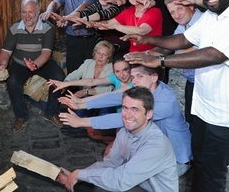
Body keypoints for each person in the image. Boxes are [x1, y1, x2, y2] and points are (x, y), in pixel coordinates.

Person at [124, 0, 229, 192]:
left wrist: (161, 62)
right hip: (205, 107)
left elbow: (214, 54)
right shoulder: (211, 15)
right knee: (198, 160)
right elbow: (183, 39)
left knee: (212, 172)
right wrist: (146, 38)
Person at [59, 64, 192, 177]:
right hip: (151, 147)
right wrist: (81, 104)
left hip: (175, 160)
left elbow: (122, 119)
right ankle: (78, 177)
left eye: (140, 76)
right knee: (111, 157)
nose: (135, 81)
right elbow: (116, 97)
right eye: (133, 77)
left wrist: (81, 122)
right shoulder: (147, 90)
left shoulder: (165, 101)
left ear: (154, 77)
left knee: (128, 178)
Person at [56, 87, 178, 192]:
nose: (127, 115)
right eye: (125, 108)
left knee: (102, 188)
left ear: (149, 114)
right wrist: (76, 175)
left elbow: (121, 180)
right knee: (80, 185)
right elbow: (109, 163)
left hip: (147, 189)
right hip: (136, 184)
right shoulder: (124, 131)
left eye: (135, 110)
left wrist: (79, 174)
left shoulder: (156, 144)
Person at [0, 0, 66, 132]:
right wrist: (3, 65)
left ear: (38, 12)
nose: (26, 16)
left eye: (30, 12)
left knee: (59, 76)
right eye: (23, 12)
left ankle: (51, 112)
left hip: (42, 62)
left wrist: (35, 65)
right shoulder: (15, 27)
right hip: (20, 62)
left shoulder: (47, 28)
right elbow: (6, 52)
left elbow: (46, 53)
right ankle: (21, 115)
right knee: (12, 81)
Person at [147, 0, 203, 127]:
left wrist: (158, 59)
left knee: (202, 125)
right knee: (191, 120)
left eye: (179, 9)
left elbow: (196, 51)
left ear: (191, 5)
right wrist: (148, 54)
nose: (176, 15)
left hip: (205, 83)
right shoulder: (182, 24)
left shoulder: (202, 21)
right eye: (172, 12)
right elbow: (171, 45)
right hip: (192, 81)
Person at [41, 0, 97, 74]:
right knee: (73, 70)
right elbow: (55, 3)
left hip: (89, 38)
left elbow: (81, 8)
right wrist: (49, 10)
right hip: (72, 39)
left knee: (89, 71)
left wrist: (65, 18)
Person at [95, 0, 162, 53]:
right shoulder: (129, 11)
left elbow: (142, 31)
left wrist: (115, 26)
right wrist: (92, 23)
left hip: (151, 57)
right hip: (132, 54)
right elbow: (108, 23)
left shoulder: (154, 11)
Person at [63, 40, 115, 117]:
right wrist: (65, 83)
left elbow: (108, 89)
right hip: (86, 98)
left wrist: (86, 91)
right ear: (94, 54)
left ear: (109, 57)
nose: (100, 57)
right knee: (79, 116)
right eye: (98, 53)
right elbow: (75, 75)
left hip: (103, 100)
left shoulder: (112, 68)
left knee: (103, 116)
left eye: (104, 55)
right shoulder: (88, 63)